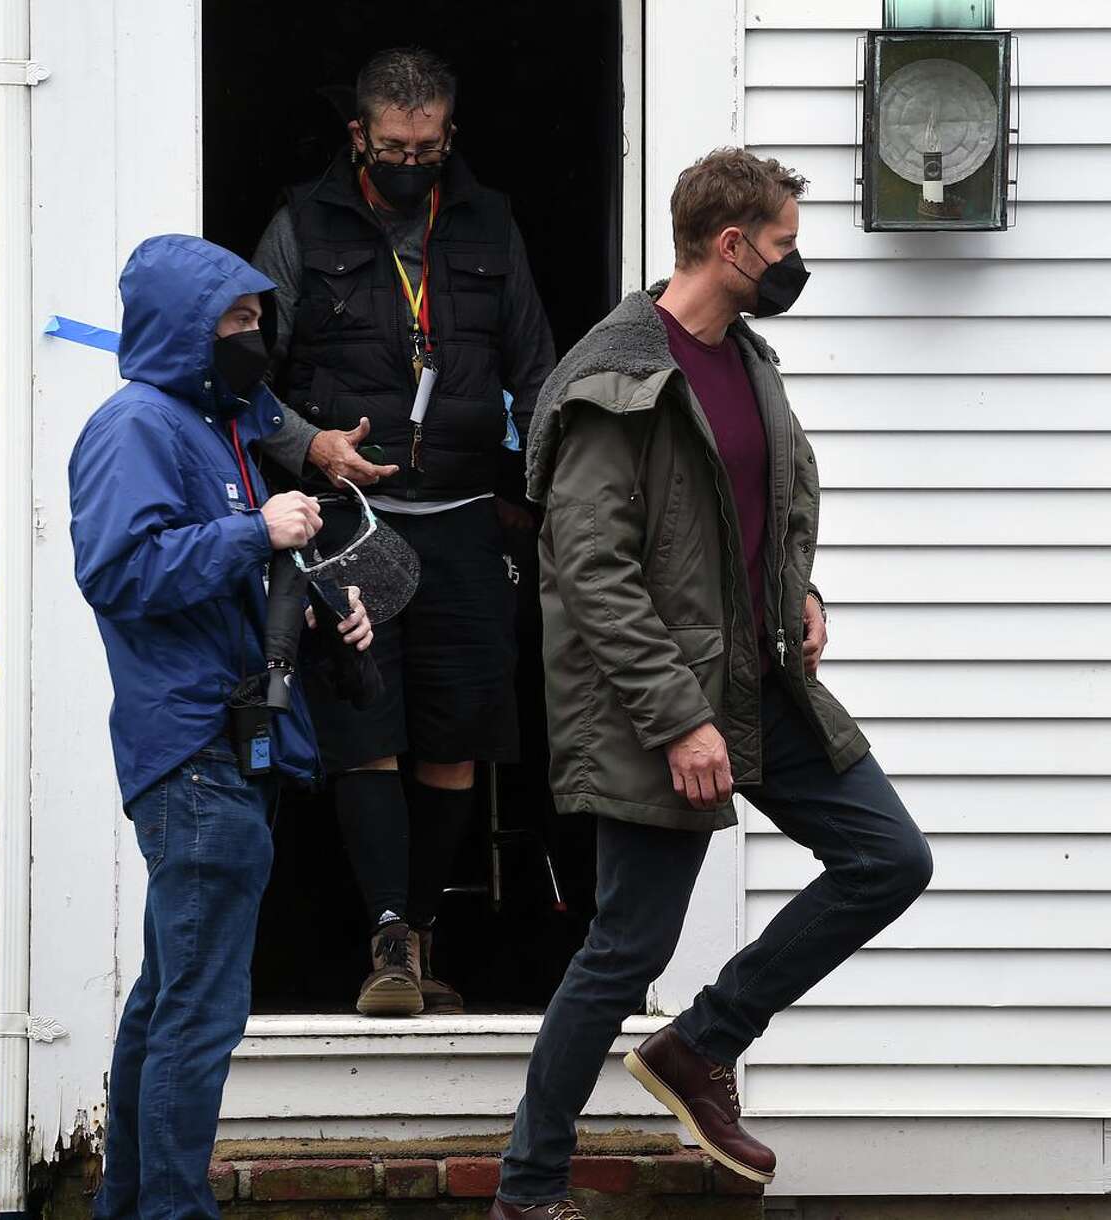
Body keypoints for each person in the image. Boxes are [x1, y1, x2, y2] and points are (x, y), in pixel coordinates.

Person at [490, 150, 934, 1218]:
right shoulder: (617, 372)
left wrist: (801, 592)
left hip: (758, 678)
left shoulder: (747, 354)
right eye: (783, 244)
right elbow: (591, 570)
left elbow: (753, 511)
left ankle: (700, 1043)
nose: (795, 261)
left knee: (887, 856)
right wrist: (682, 718)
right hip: (662, 705)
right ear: (729, 245)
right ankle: (527, 1189)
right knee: (625, 946)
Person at [69, 234, 373, 1220]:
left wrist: (323, 607)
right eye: (233, 323)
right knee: (199, 1010)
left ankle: (129, 1202)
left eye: (256, 320)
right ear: (181, 330)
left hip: (229, 749)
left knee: (169, 996)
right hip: (192, 752)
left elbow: (231, 573)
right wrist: (260, 529)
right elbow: (121, 571)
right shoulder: (136, 426)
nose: (253, 338)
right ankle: (168, 1207)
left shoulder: (220, 427)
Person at [252, 46, 555, 1017]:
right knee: (364, 736)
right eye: (394, 146)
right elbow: (244, 378)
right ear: (359, 137)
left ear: (449, 139)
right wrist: (313, 448)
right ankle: (386, 931)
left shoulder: (493, 223)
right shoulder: (300, 225)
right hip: (351, 521)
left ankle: (417, 938)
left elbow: (541, 375)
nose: (411, 161)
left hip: (467, 519)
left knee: (457, 738)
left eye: (428, 148)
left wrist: (545, 497)